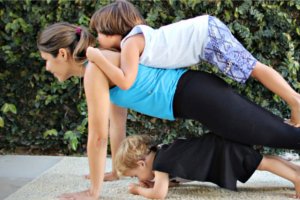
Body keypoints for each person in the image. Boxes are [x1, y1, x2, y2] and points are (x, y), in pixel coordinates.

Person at [37, 22, 300, 200]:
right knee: (272, 134)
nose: (48, 69)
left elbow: (97, 137)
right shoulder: (101, 65)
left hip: (198, 96)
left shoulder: (95, 70)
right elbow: (116, 123)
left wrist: (92, 192)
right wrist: (116, 170)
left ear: (62, 53)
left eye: (47, 61)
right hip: (196, 96)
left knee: (280, 135)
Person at [87, 0, 300, 127]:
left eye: (99, 33)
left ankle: (295, 100)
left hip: (205, 36)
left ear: (112, 28)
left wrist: (96, 58)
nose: (98, 40)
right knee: (252, 67)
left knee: (253, 68)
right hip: (205, 33)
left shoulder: (130, 44)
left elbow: (125, 82)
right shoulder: (135, 38)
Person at [115, 134, 300, 199]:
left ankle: (296, 178)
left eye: (134, 176)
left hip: (222, 150)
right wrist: (155, 183)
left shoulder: (160, 164)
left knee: (261, 163)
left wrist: (138, 191)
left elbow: (159, 195)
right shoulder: (163, 152)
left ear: (141, 163)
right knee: (261, 160)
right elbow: (175, 178)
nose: (138, 180)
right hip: (218, 145)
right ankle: (297, 171)